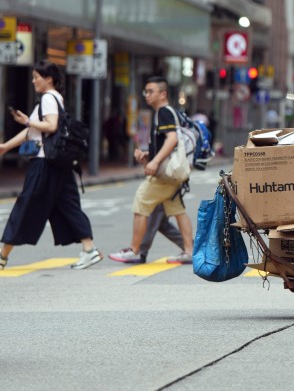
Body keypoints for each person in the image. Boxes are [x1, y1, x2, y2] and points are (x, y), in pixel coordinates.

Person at [0, 61, 103, 270]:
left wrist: (28, 121)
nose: (33, 81)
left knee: (25, 205)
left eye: (36, 76)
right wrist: (6, 147)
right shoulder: (55, 98)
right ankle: (89, 249)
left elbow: (50, 126)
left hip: (45, 162)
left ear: (48, 79)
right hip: (57, 162)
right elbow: (33, 132)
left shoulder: (48, 98)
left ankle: (2, 256)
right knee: (68, 205)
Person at [109, 76, 194, 264]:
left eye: (151, 91)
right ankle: (190, 251)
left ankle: (134, 250)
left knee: (141, 202)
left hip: (164, 176)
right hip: (172, 174)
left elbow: (172, 139)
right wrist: (148, 155)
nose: (147, 95)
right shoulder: (164, 112)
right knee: (177, 209)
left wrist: (154, 162)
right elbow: (168, 143)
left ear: (163, 94)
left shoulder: (164, 111)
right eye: (145, 91)